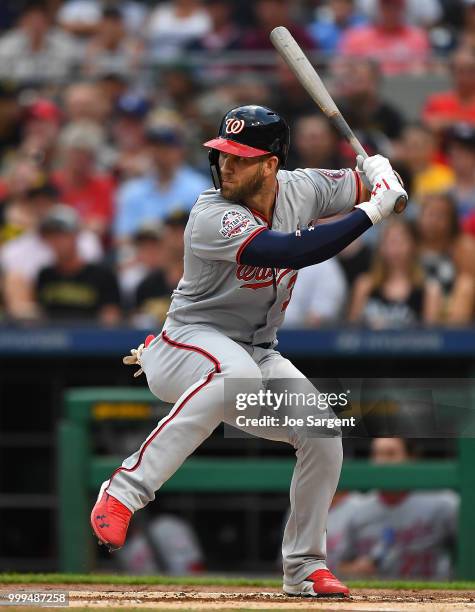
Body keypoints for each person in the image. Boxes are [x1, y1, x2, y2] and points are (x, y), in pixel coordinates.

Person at [91, 104, 407, 598]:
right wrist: (372, 212)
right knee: (231, 373)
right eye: (223, 155)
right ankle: (123, 491)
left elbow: (363, 182)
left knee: (322, 432)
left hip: (258, 350)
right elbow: (292, 251)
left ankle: (304, 566)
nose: (226, 166)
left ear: (270, 164)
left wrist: (381, 171)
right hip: (186, 344)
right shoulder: (209, 214)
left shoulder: (305, 187)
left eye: (241, 157)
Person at [337, 438, 458, 579]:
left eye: (390, 454)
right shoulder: (358, 508)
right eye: (376, 454)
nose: (381, 461)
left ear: (411, 458)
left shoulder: (443, 503)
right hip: (379, 597)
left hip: (433, 596)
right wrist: (356, 569)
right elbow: (341, 565)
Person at [348, 218, 442, 327]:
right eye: (390, 242)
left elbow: (432, 338)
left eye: (400, 242)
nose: (395, 248)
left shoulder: (429, 290)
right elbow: (351, 333)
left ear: (413, 246)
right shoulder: (365, 286)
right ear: (381, 247)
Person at [35, 205, 121, 324]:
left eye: (61, 234)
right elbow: (40, 316)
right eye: (51, 235)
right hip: (52, 339)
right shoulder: (45, 275)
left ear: (76, 235)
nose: (56, 241)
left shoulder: (102, 275)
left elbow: (111, 320)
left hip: (93, 339)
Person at [339, 0, 429, 76]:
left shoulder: (417, 37)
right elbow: (341, 67)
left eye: (395, 6)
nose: (391, 11)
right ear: (379, 8)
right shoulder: (356, 36)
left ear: (403, 8)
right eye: (386, 6)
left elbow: (422, 69)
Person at [422, 47, 475, 131]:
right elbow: (430, 125)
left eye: (471, 71)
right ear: (452, 73)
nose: (465, 77)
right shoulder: (436, 101)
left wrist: (448, 121)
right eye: (460, 71)